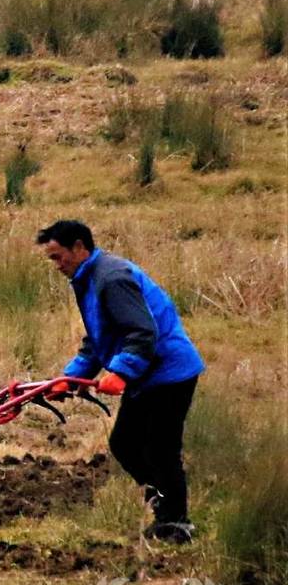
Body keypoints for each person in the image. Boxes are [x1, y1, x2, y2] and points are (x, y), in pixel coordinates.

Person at [35, 220, 206, 544]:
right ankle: (163, 506)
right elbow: (100, 340)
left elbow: (143, 332)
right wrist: (70, 377)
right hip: (148, 373)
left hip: (169, 372)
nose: (56, 266)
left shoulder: (110, 278)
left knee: (160, 448)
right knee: (125, 444)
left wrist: (121, 372)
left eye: (58, 257)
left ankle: (177, 524)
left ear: (79, 248)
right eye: (51, 259)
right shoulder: (87, 279)